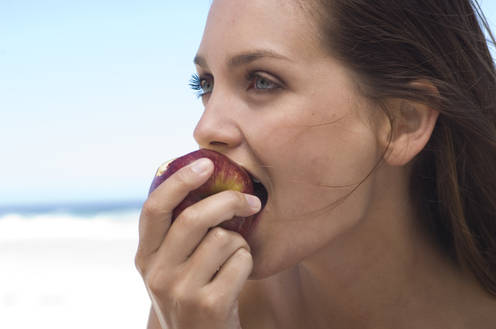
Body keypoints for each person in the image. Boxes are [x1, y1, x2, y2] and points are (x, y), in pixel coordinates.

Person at [135, 0, 496, 328]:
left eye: (262, 81)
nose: (205, 129)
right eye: (206, 84)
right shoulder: (200, 305)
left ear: (404, 123)